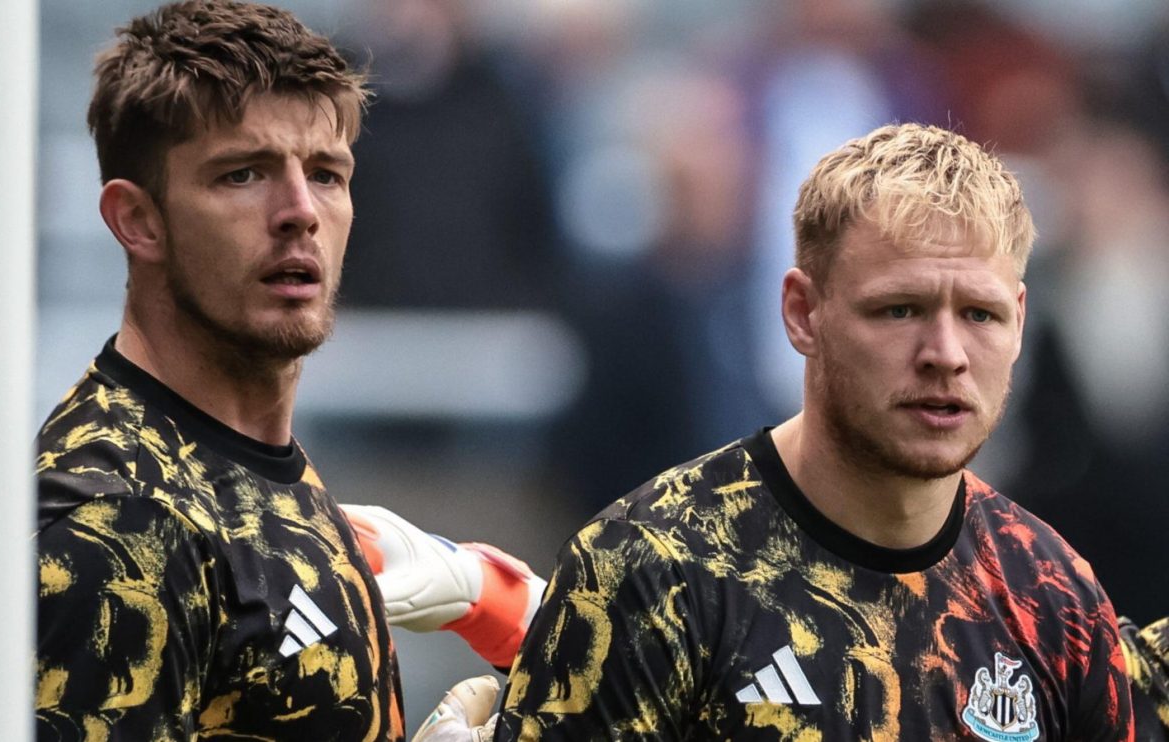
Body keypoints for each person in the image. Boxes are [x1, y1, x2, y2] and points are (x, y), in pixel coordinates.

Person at [481, 123, 1135, 739]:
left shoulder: (1050, 594)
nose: (946, 352)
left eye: (980, 315)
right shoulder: (650, 570)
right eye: (899, 309)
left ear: (1019, 322)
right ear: (802, 313)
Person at [34, 2, 399, 737]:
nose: (299, 211)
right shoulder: (121, 522)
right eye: (243, 175)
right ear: (137, 220)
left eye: (326, 175)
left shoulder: (246, 459)